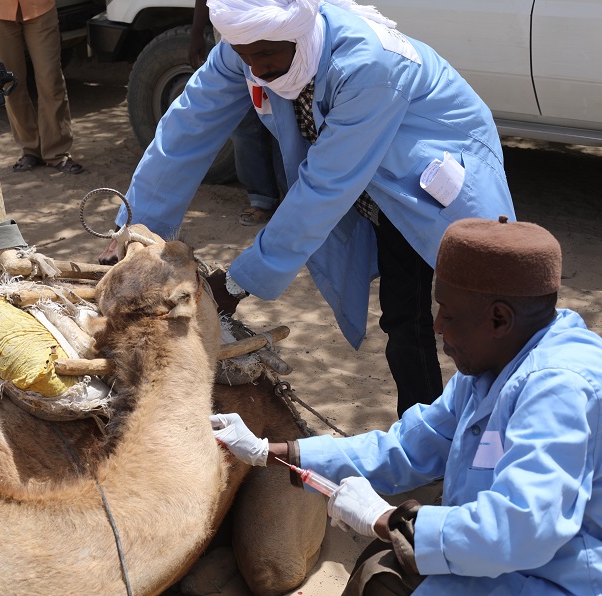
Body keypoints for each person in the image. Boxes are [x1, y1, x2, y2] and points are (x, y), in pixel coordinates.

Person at [101, 0, 515, 417]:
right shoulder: (244, 46)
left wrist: (239, 280)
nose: (256, 68)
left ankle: (496, 430)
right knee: (405, 319)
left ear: (298, 34)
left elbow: (325, 184)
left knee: (477, 321)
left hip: (433, 185)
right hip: (375, 190)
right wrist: (136, 232)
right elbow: (185, 129)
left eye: (265, 55)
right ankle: (424, 438)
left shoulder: (370, 64)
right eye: (246, 57)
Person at [212, 216, 602, 596]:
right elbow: (407, 447)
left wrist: (385, 519)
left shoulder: (558, 389)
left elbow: (520, 530)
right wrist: (271, 451)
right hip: (500, 561)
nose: (436, 326)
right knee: (380, 568)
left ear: (499, 318)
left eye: (448, 313)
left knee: (387, 572)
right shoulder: (493, 365)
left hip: (555, 580)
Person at [190, 0, 287, 226]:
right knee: (245, 126)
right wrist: (196, 32)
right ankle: (261, 200)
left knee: (281, 123)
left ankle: (292, 201)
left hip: (273, 43)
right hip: (234, 50)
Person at [0, 0, 83, 174]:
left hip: (40, 7)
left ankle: (57, 152)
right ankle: (30, 149)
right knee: (10, 85)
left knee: (51, 81)